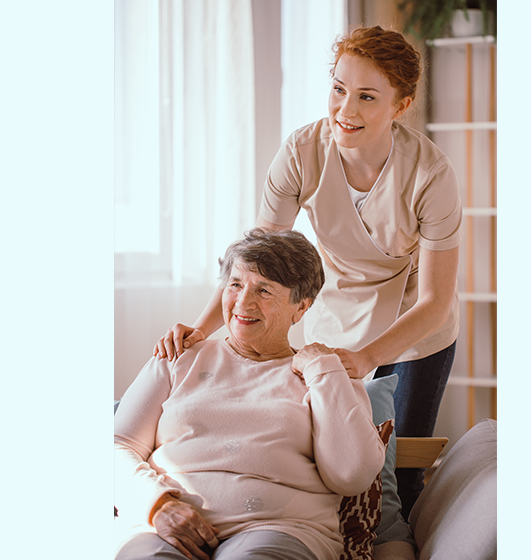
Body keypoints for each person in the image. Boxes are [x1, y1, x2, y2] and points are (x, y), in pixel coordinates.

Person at [154, 26, 461, 518]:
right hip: (334, 318)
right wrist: (201, 328)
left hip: (414, 328)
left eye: (366, 96)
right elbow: (255, 261)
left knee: (400, 476)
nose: (346, 110)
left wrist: (367, 359)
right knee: (328, 455)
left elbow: (435, 301)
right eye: (338, 89)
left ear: (400, 106)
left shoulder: (430, 175)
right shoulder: (302, 152)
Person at [115, 228, 386, 560]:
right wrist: (157, 505)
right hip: (163, 527)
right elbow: (116, 447)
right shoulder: (178, 356)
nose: (243, 302)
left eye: (264, 290)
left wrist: (323, 371)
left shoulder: (326, 374)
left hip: (281, 529)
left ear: (300, 307)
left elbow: (351, 476)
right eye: (235, 285)